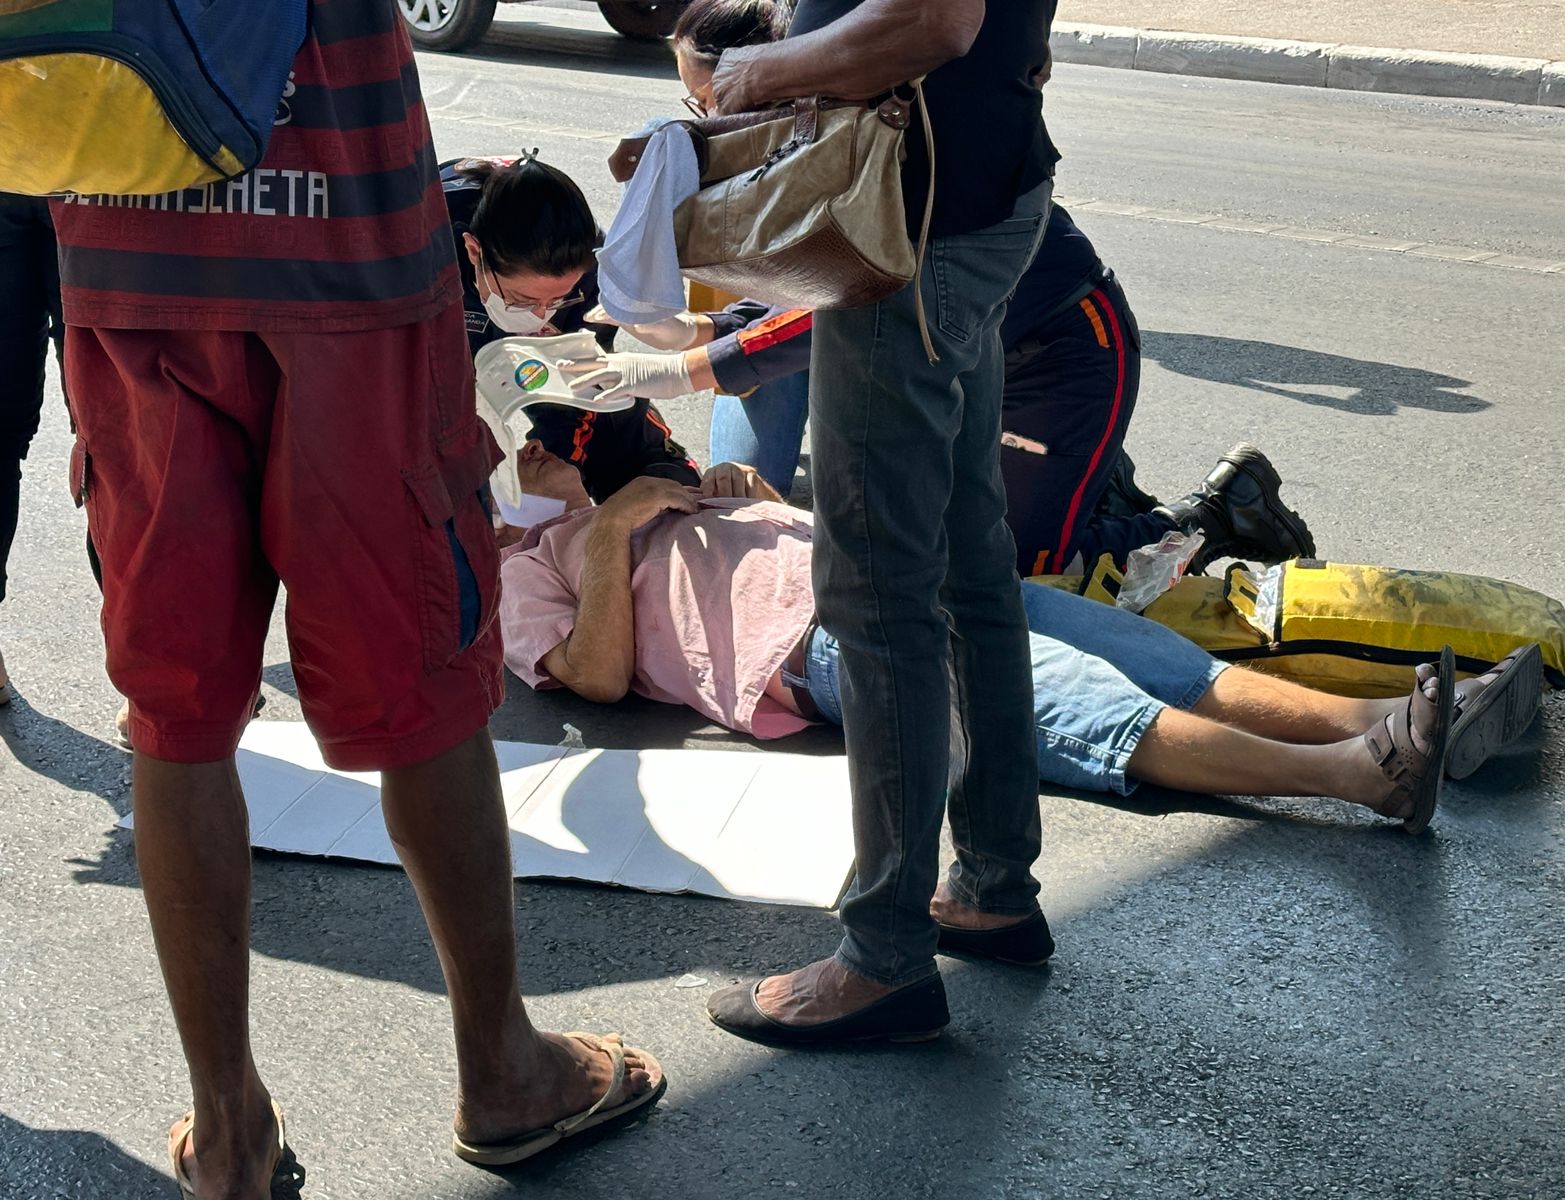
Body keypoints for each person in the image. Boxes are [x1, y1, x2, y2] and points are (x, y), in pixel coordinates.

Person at [49, 3, 663, 1194]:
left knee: (176, 715)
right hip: (344, 257)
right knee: (420, 686)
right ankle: (505, 1073)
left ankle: (227, 1132)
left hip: (127, 245)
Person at [498, 449, 1542, 870]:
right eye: (525, 448)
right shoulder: (522, 571)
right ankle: (1356, 778)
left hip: (892, 567)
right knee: (1068, 699)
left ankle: (1384, 728)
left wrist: (737, 491)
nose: (548, 452)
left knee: (1143, 651)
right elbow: (593, 676)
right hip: (817, 638)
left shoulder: (620, 507)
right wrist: (605, 531)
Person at [575, 0, 1314, 579]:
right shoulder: (812, 149)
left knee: (1020, 569)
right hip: (981, 351)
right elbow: (798, 293)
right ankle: (1093, 484)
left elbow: (844, 302)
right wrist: (700, 335)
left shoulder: (858, 149)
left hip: (1065, 356)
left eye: (710, 100)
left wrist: (679, 368)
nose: (710, 122)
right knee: (960, 548)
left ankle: (1211, 513)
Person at [671, 0, 1062, 1046]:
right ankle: (989, 883)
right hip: (969, 200)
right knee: (966, 565)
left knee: (877, 590)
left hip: (909, 227)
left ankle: (883, 954)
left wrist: (754, 74)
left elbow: (929, 19)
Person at [442, 152, 699, 502]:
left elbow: (579, 396)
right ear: (474, 251)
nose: (540, 316)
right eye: (523, 301)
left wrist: (545, 492)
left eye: (556, 301)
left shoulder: (594, 274)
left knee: (603, 403)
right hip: (436, 310)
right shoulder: (421, 246)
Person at [0, 193, 66, 705]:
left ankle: (165, 670)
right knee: (123, 434)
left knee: (123, 434)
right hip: (108, 170)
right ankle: (164, 674)